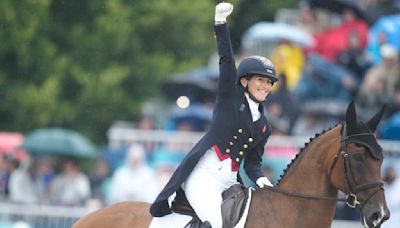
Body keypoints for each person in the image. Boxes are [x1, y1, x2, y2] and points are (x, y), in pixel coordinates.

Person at [150, 3, 276, 227]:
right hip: (204, 176)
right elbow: (227, 61)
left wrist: (261, 180)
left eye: (268, 82)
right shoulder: (230, 98)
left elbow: (252, 164)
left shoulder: (264, 126)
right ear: (245, 81)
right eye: (260, 80)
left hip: (230, 183)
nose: (265, 86)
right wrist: (220, 24)